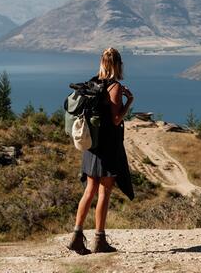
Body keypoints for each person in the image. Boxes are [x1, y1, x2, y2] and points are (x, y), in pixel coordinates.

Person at [67, 47, 135, 255]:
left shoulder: (93, 82)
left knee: (89, 190)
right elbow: (116, 119)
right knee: (104, 192)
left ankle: (77, 236)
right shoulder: (114, 87)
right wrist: (129, 102)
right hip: (108, 146)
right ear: (118, 64)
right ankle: (99, 240)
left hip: (92, 145)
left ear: (102, 63)